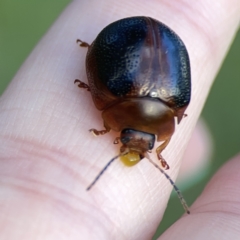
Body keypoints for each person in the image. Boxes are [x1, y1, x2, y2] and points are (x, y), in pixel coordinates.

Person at [0, 0, 239, 239]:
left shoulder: (168, 102)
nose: (133, 145)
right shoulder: (159, 103)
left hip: (146, 41)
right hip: (145, 41)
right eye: (150, 145)